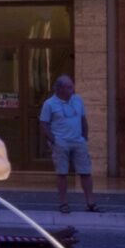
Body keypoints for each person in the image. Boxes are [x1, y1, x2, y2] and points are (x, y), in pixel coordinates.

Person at [36, 74, 94, 214]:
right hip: (60, 142)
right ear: (60, 89)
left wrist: (84, 137)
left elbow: (83, 119)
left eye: (72, 87)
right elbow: (44, 123)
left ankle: (91, 203)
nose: (72, 90)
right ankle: (63, 203)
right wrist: (53, 140)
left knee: (85, 172)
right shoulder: (49, 104)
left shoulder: (78, 100)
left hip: (78, 141)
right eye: (68, 87)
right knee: (62, 173)